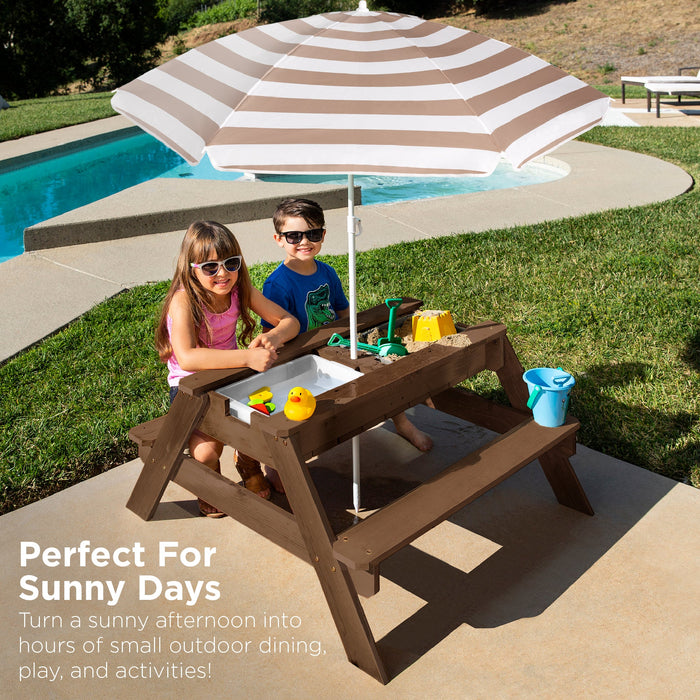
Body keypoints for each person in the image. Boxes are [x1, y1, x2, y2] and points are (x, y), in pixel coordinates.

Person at [262, 198, 433, 452]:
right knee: (301, 408)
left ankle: (402, 422)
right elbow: (270, 333)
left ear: (323, 234)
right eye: (294, 236)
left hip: (336, 344)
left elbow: (343, 312)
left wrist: (357, 337)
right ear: (279, 239)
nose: (305, 241)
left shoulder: (327, 272)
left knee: (382, 369)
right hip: (302, 355)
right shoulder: (277, 285)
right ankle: (280, 457)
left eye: (313, 233)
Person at [155, 221, 299, 516]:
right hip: (191, 388)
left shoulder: (240, 289)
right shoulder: (183, 301)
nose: (223, 274)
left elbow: (290, 321)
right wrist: (246, 358)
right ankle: (210, 478)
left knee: (265, 419)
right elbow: (188, 358)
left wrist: (273, 335)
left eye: (231, 263)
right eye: (210, 267)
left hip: (231, 379)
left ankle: (248, 462)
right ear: (192, 267)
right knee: (208, 452)